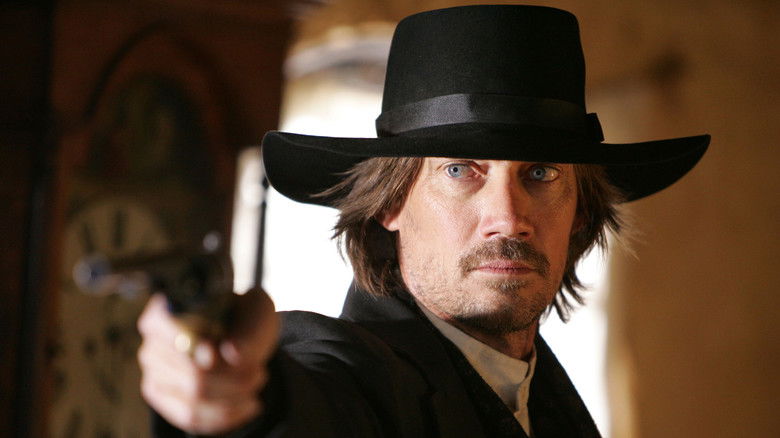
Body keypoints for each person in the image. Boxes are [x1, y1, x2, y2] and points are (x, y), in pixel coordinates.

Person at [137, 5, 710, 437]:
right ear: (389, 203)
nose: (508, 218)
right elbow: (308, 401)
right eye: (461, 170)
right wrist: (239, 401)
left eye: (541, 173)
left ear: (581, 211)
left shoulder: (546, 395)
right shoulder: (353, 372)